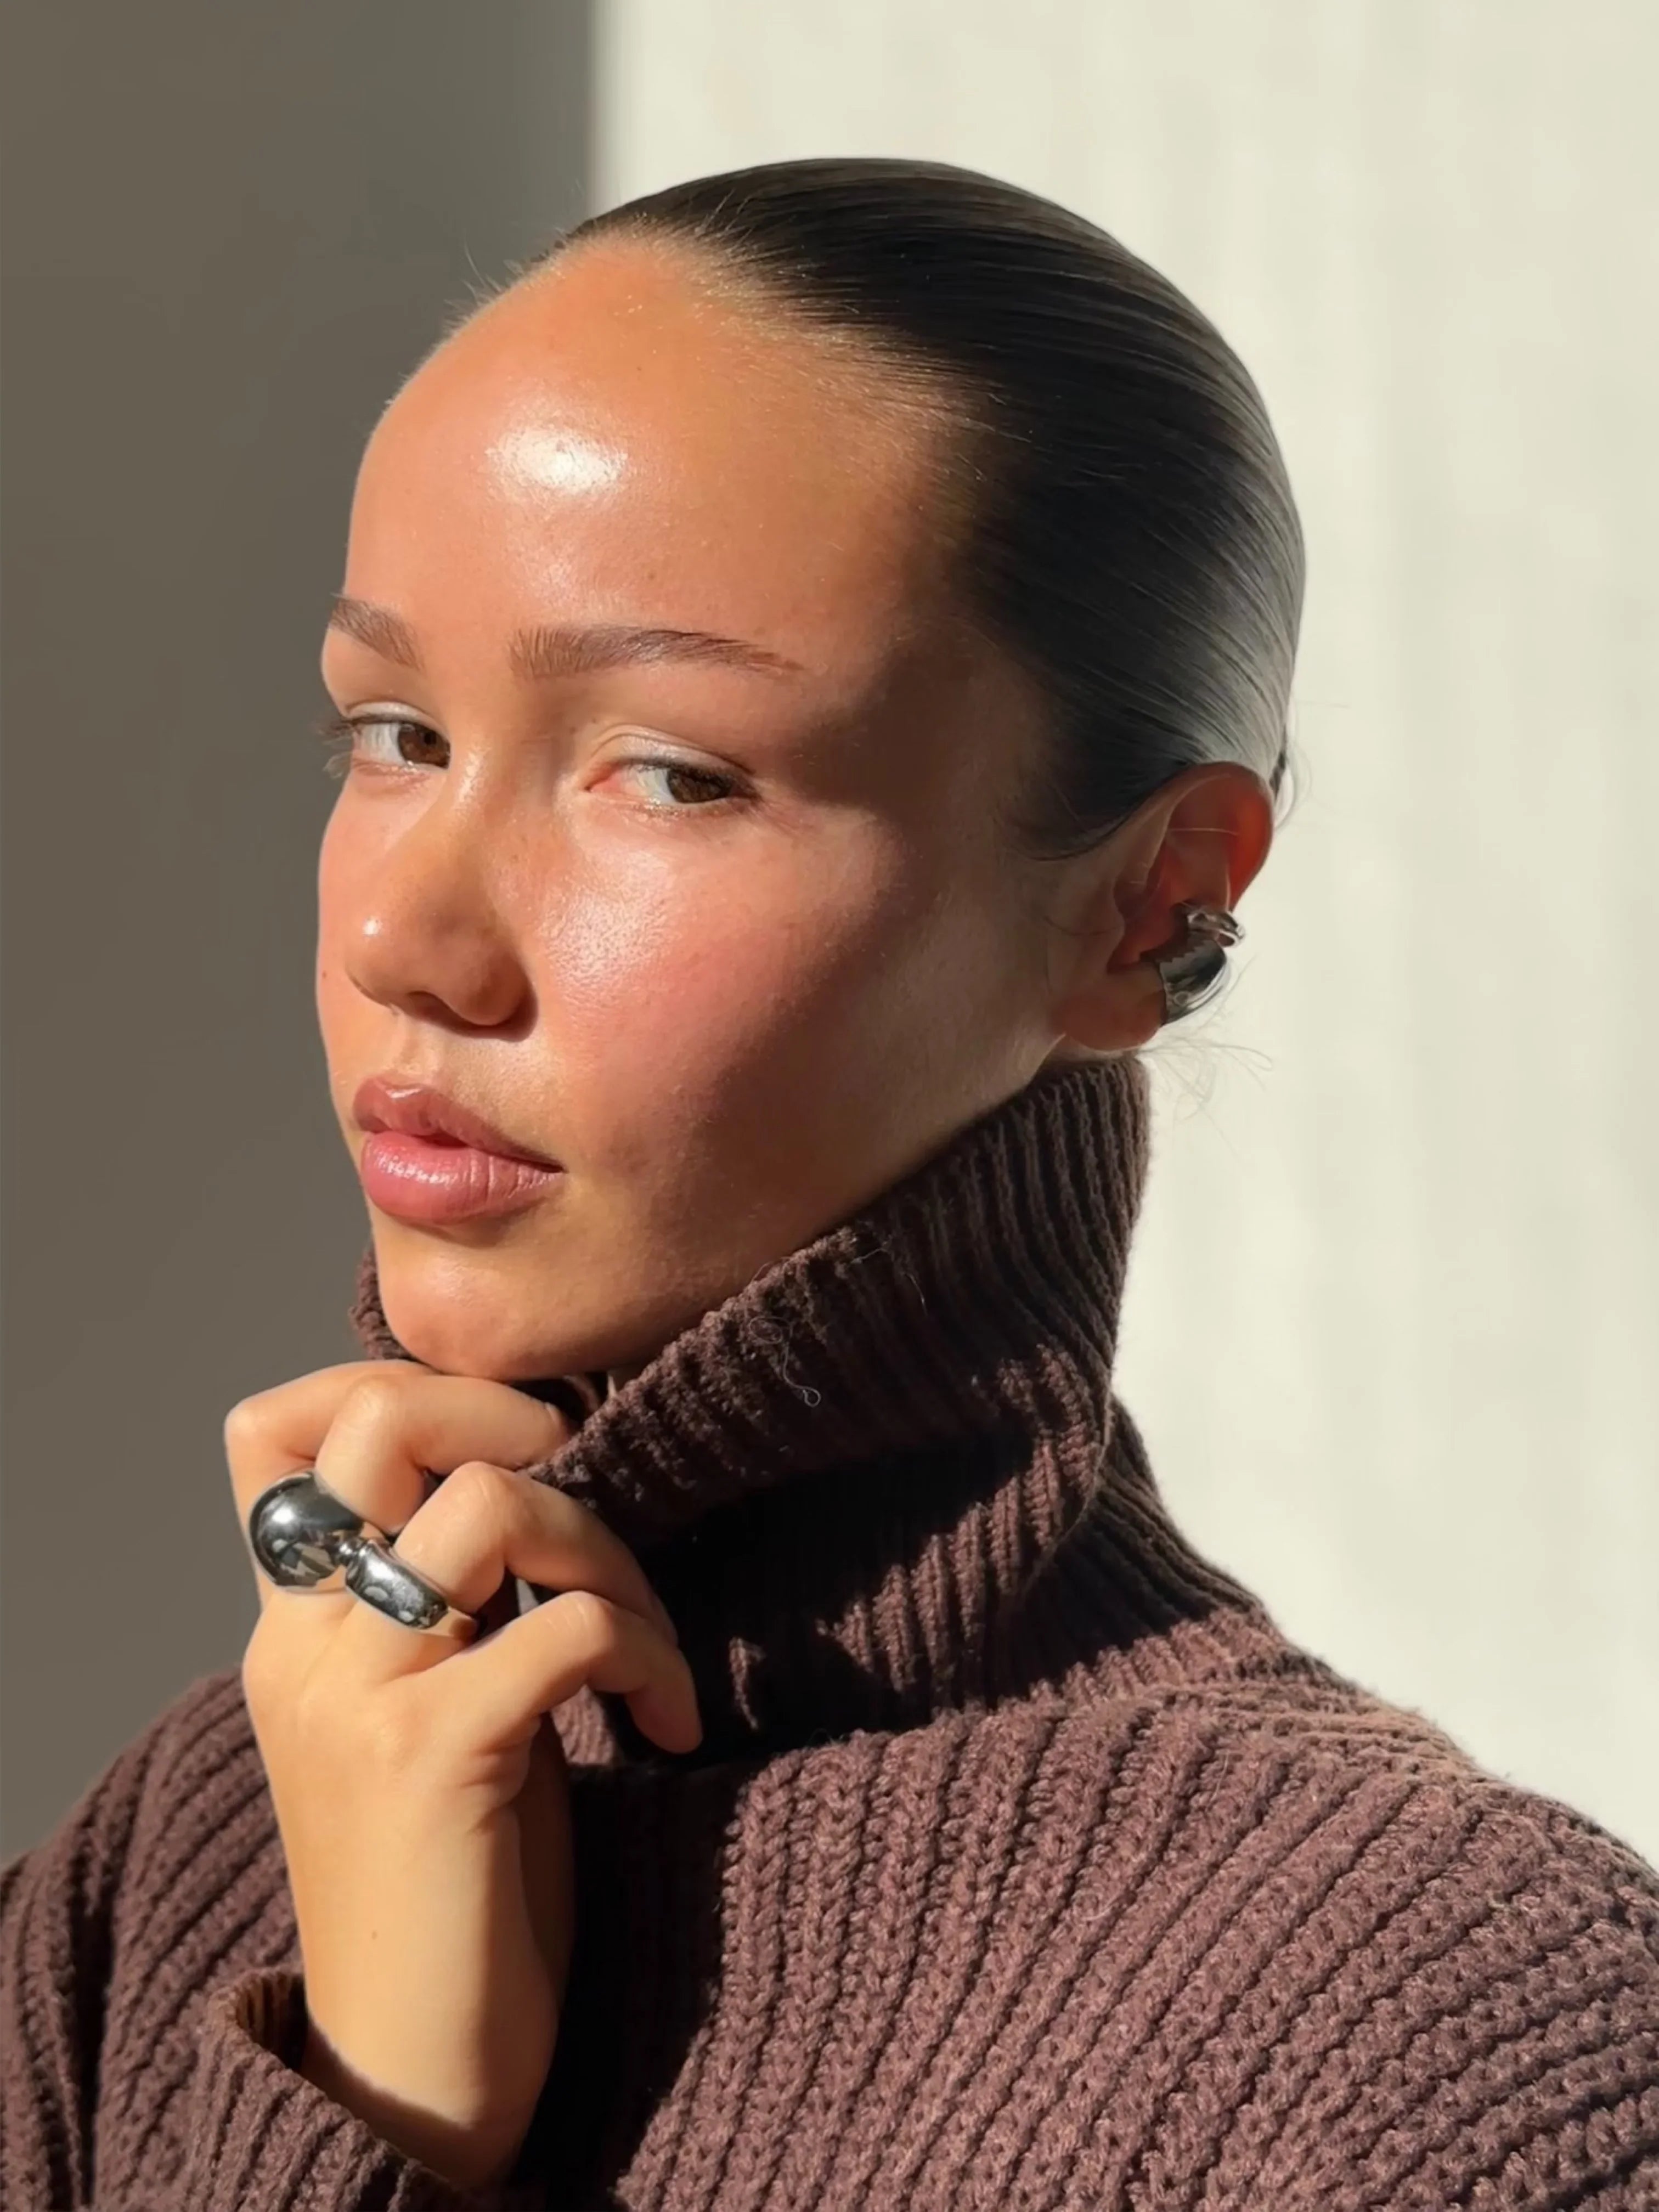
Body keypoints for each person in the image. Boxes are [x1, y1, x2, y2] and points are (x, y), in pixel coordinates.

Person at [3, 154, 1655, 2212]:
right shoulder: (194, 1856)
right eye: (395, 731)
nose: (405, 938)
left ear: (1153, 900)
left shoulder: (1445, 2048)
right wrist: (372, 2080)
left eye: (673, 773)